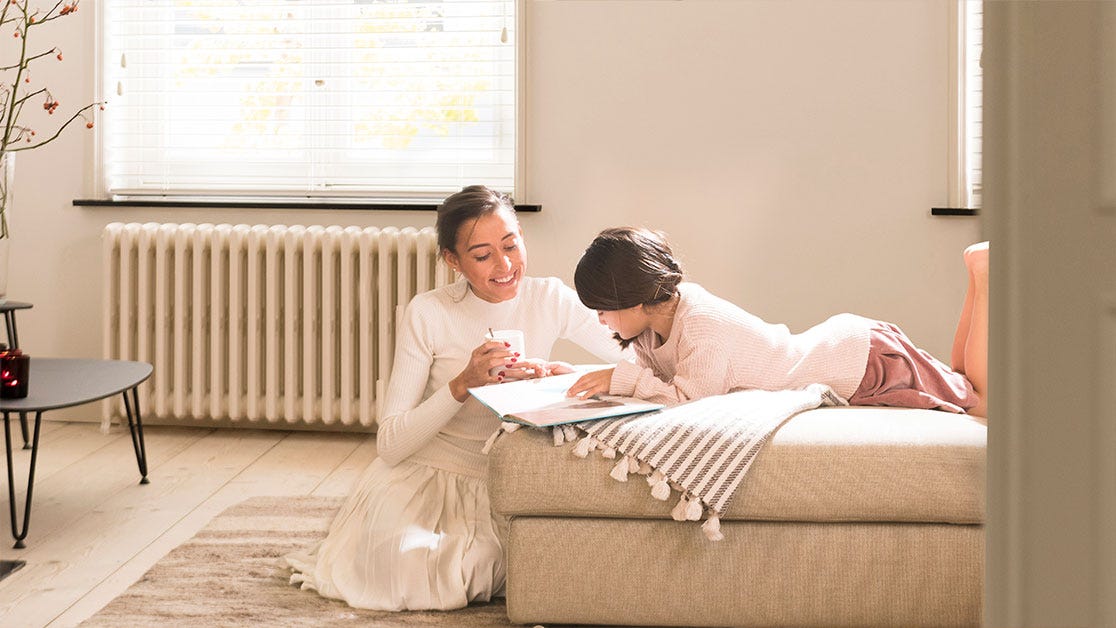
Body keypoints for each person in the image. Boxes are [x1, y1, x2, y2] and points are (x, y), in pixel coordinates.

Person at [284, 186, 629, 611]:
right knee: (408, 565)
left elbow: (635, 357)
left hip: (505, 480)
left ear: (521, 234)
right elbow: (390, 445)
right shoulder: (428, 312)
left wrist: (561, 376)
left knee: (525, 562)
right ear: (454, 261)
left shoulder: (549, 298)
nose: (505, 266)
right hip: (428, 476)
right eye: (482, 256)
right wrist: (462, 385)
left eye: (511, 245)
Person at [565, 227, 989, 418]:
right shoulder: (653, 326)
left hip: (860, 362)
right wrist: (574, 375)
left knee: (979, 402)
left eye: (602, 307)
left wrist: (620, 380)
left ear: (637, 299)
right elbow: (648, 380)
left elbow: (687, 401)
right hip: (849, 348)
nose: (598, 318)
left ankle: (983, 278)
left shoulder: (701, 327)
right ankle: (977, 275)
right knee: (962, 385)